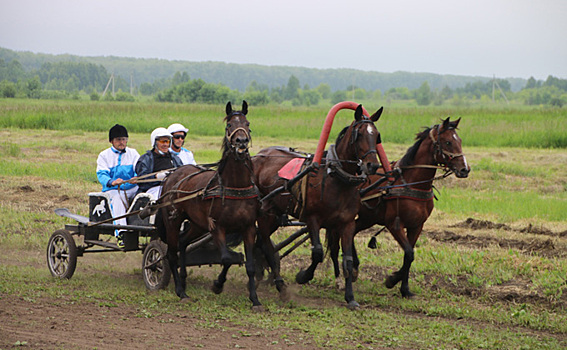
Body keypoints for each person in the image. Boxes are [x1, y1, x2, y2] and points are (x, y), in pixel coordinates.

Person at [96, 124, 140, 247]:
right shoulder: (104, 155)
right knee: (117, 199)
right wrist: (112, 181)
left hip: (132, 188)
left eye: (124, 139)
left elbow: (140, 168)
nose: (122, 142)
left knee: (145, 196)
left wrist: (136, 177)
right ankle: (121, 233)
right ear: (111, 141)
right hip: (113, 190)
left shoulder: (133, 153)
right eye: (118, 140)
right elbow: (101, 174)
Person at [135, 127, 183, 199]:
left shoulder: (175, 159)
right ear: (155, 142)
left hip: (172, 188)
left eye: (167, 142)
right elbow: (142, 182)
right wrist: (157, 177)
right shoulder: (145, 159)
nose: (165, 145)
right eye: (162, 142)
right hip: (153, 190)